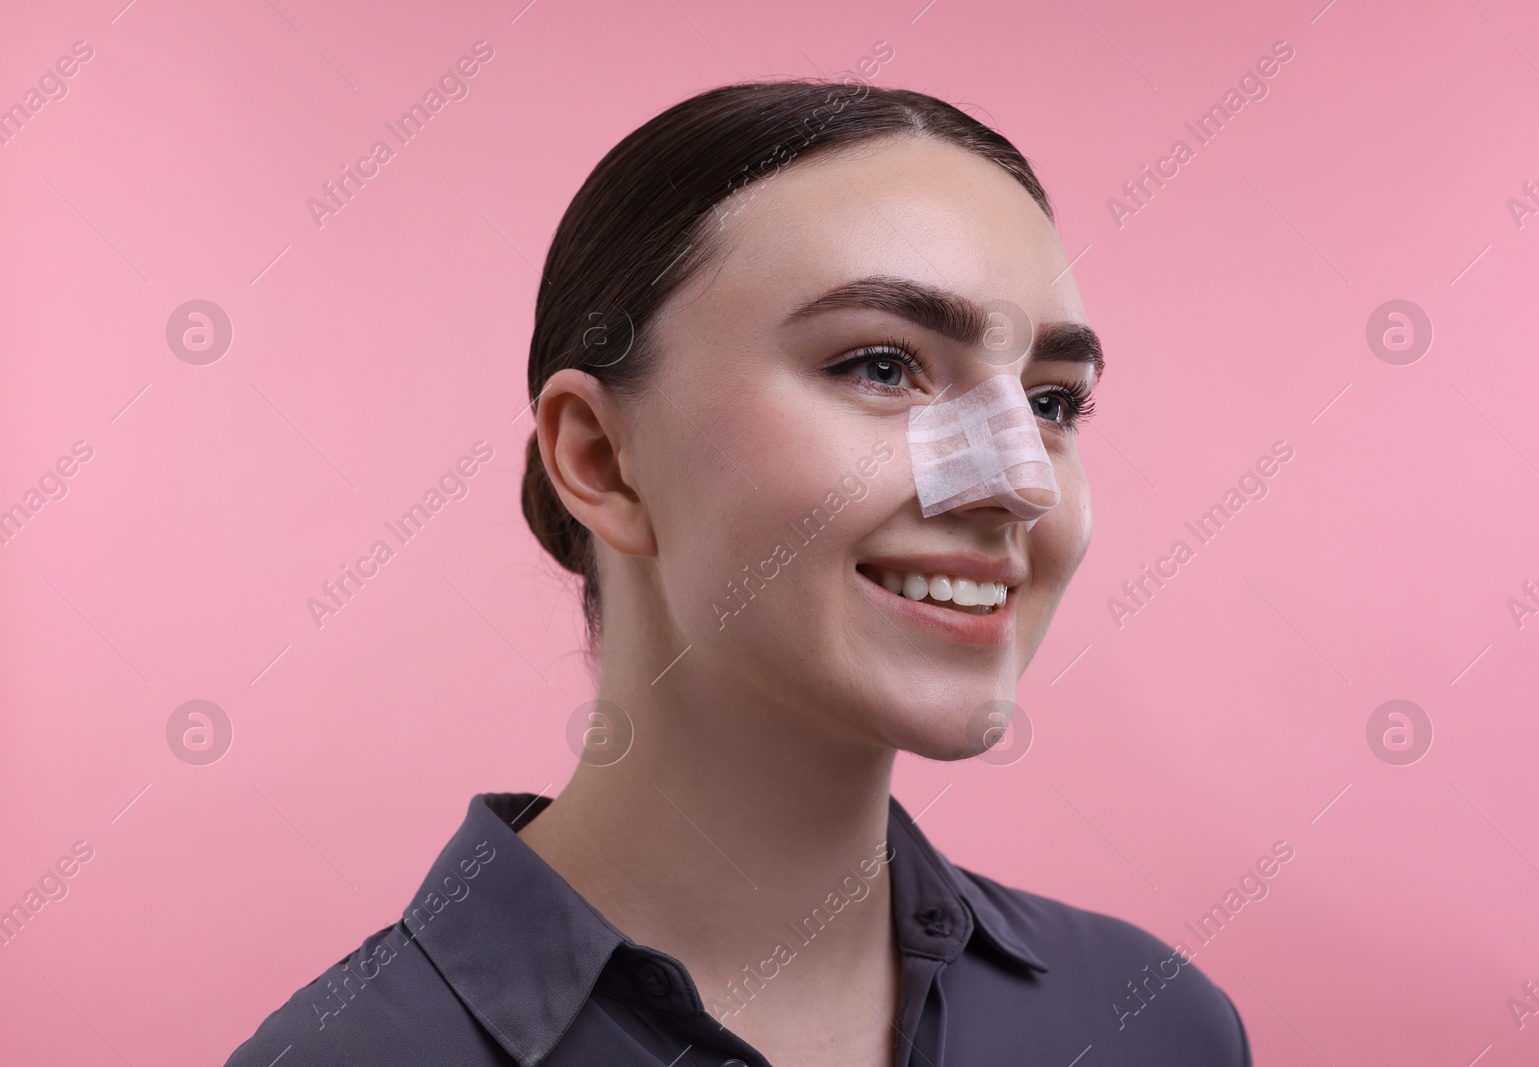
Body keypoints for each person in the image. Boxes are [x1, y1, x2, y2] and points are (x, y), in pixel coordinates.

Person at [224, 79, 1250, 1067]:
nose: (1018, 482)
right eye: (882, 366)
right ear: (600, 458)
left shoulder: (1149, 1024)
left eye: (1051, 403)